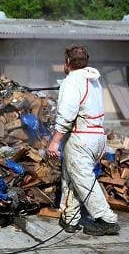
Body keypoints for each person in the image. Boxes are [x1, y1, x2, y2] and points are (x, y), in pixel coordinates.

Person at [48, 45, 120, 236]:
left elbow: (66, 114)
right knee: (72, 176)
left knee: (84, 180)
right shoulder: (94, 80)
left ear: (67, 63)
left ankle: (106, 219)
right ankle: (70, 218)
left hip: (81, 137)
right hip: (97, 136)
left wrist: (55, 141)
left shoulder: (71, 82)